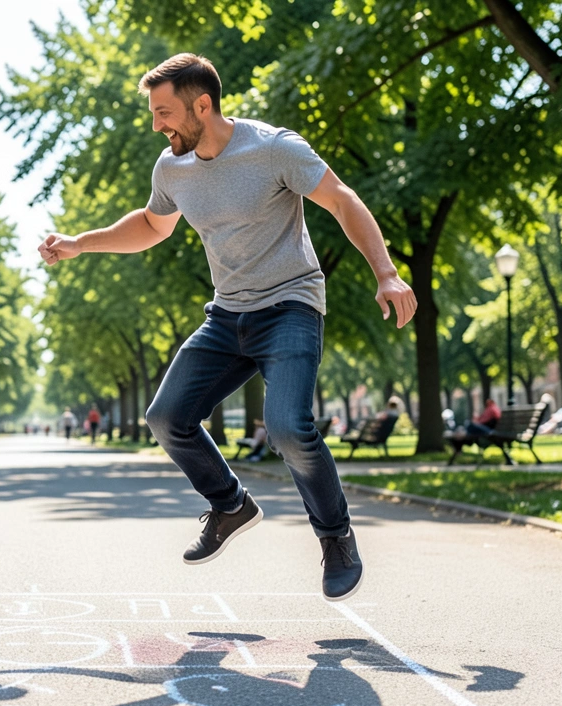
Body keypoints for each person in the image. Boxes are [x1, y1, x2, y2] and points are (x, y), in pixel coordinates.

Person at [39, 54, 416, 601]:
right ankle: (230, 504)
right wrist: (81, 243)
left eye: (164, 112)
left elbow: (341, 199)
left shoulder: (273, 149)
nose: (156, 125)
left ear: (203, 104)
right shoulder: (172, 168)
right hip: (227, 315)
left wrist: (386, 273)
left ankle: (336, 539)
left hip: (290, 306)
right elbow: (151, 225)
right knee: (167, 416)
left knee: (288, 428)